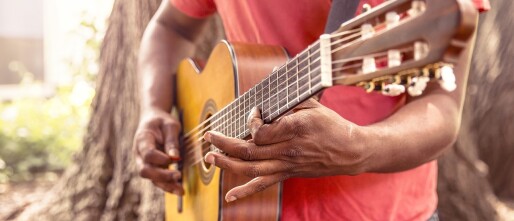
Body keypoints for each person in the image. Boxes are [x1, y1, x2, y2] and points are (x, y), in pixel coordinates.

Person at [133, 0, 490, 220]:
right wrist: (154, 108)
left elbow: (441, 105)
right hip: (237, 209)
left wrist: (359, 148)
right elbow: (170, 27)